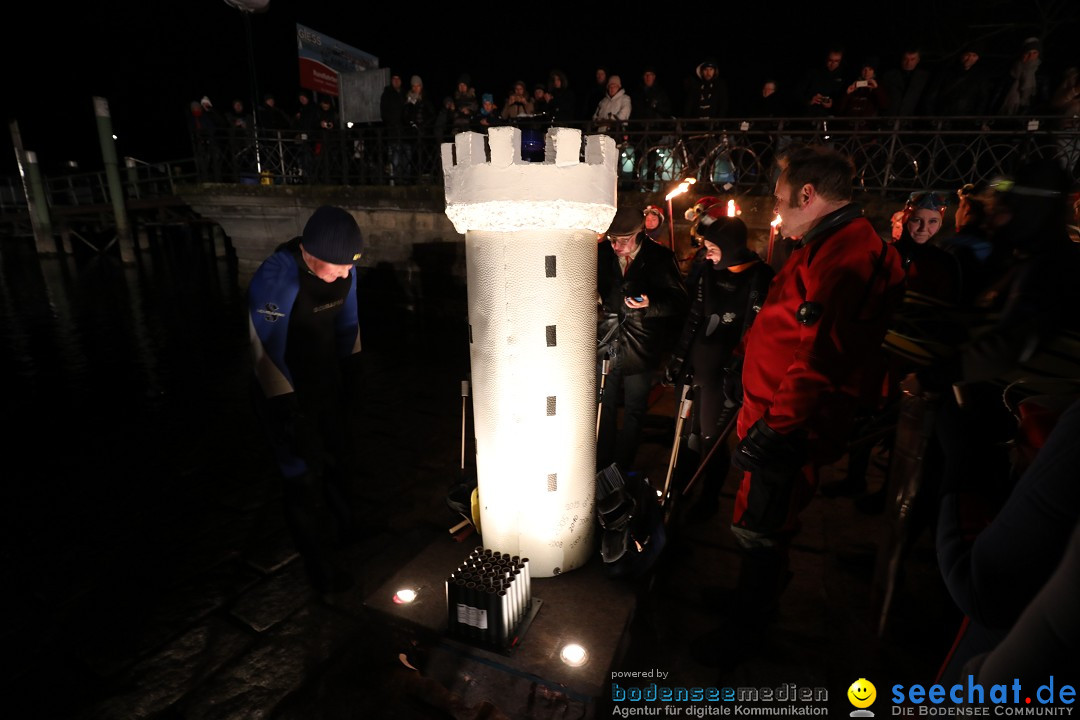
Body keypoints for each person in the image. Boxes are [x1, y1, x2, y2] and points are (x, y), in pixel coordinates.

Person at [690, 145, 906, 668]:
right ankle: (750, 597)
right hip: (768, 409)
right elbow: (789, 325)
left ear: (809, 194)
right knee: (756, 515)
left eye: (783, 199)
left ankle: (748, 630)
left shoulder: (846, 256)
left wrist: (774, 429)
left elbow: (819, 358)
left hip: (787, 424)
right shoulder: (825, 243)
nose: (776, 211)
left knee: (764, 522)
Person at [248, 206, 366, 594]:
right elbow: (265, 351)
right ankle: (321, 569)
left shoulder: (344, 270)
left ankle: (350, 530)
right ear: (310, 253)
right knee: (302, 479)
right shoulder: (275, 277)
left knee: (341, 457)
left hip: (325, 381)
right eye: (339, 266)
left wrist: (353, 376)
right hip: (284, 388)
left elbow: (349, 325)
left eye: (351, 266)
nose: (346, 274)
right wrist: (287, 411)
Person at [664, 216, 775, 525]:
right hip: (695, 364)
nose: (707, 254)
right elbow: (696, 316)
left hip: (723, 373)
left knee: (710, 438)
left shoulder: (760, 277)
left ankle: (709, 498)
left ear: (729, 247)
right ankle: (678, 490)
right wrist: (677, 358)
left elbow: (757, 331)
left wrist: (741, 373)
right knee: (685, 432)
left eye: (712, 248)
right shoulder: (709, 274)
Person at [596, 207, 688, 473]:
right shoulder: (603, 253)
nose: (616, 246)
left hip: (641, 342)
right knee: (605, 402)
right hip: (608, 338)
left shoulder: (660, 257)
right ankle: (603, 463)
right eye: (613, 239)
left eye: (623, 240)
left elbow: (679, 300)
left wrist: (650, 303)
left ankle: (624, 466)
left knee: (636, 407)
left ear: (640, 234)